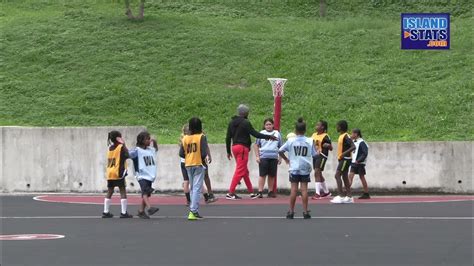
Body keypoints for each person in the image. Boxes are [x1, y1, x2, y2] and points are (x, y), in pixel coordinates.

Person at [225, 104, 277, 200]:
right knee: (240, 170)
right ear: (246, 113)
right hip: (242, 148)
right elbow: (255, 134)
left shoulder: (231, 122)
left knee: (244, 171)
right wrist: (269, 137)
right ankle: (230, 193)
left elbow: (228, 137)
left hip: (234, 147)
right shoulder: (245, 122)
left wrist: (228, 151)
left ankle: (251, 192)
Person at [279, 118, 316, 219]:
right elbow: (315, 154)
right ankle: (305, 212)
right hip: (305, 167)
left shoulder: (290, 141)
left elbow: (280, 150)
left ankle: (291, 211)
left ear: (295, 131)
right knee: (304, 190)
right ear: (305, 130)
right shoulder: (310, 141)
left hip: (294, 167)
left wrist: (286, 159)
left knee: (293, 190)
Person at [180, 117, 208, 220]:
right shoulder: (201, 137)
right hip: (198, 164)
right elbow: (204, 153)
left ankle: (193, 210)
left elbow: (181, 153)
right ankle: (193, 211)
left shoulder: (185, 138)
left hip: (188, 164)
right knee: (197, 188)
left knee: (192, 188)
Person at [102, 130, 133, 218]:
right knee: (122, 191)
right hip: (118, 172)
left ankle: (105, 211)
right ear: (118, 138)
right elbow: (128, 155)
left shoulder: (110, 148)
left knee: (110, 191)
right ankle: (124, 213)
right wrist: (124, 144)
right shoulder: (120, 147)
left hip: (110, 173)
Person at [130, 131, 160, 219]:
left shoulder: (150, 149)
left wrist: (155, 142)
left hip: (150, 175)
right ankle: (150, 208)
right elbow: (129, 154)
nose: (149, 140)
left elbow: (156, 149)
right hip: (141, 175)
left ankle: (141, 211)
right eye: (147, 139)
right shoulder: (137, 151)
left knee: (146, 193)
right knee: (145, 192)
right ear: (142, 140)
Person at [254, 118, 282, 198]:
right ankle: (260, 191)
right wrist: (257, 156)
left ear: (273, 125)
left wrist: (280, 158)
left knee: (272, 175)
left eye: (270, 124)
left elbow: (281, 146)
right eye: (267, 124)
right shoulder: (261, 133)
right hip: (263, 157)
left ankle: (270, 191)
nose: (268, 126)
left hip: (273, 157)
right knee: (262, 174)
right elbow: (256, 145)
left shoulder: (277, 134)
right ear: (264, 126)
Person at [330, 120, 356, 204]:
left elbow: (353, 147)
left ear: (340, 127)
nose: (336, 127)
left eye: (337, 126)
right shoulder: (342, 136)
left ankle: (341, 196)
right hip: (343, 159)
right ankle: (349, 196)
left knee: (337, 175)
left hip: (345, 159)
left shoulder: (346, 136)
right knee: (344, 176)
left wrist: (343, 154)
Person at [311, 120, 332, 199]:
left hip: (322, 155)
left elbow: (331, 148)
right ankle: (326, 192)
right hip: (315, 155)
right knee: (318, 173)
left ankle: (317, 193)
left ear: (322, 127)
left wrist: (328, 145)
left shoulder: (325, 136)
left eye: (318, 125)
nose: (316, 126)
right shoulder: (313, 135)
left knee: (317, 172)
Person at [349, 128, 370, 199]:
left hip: (359, 163)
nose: (351, 135)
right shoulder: (355, 141)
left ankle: (366, 193)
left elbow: (365, 153)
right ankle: (347, 193)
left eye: (352, 133)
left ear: (356, 134)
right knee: (353, 176)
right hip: (354, 162)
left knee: (360, 177)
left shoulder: (362, 142)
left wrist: (358, 160)